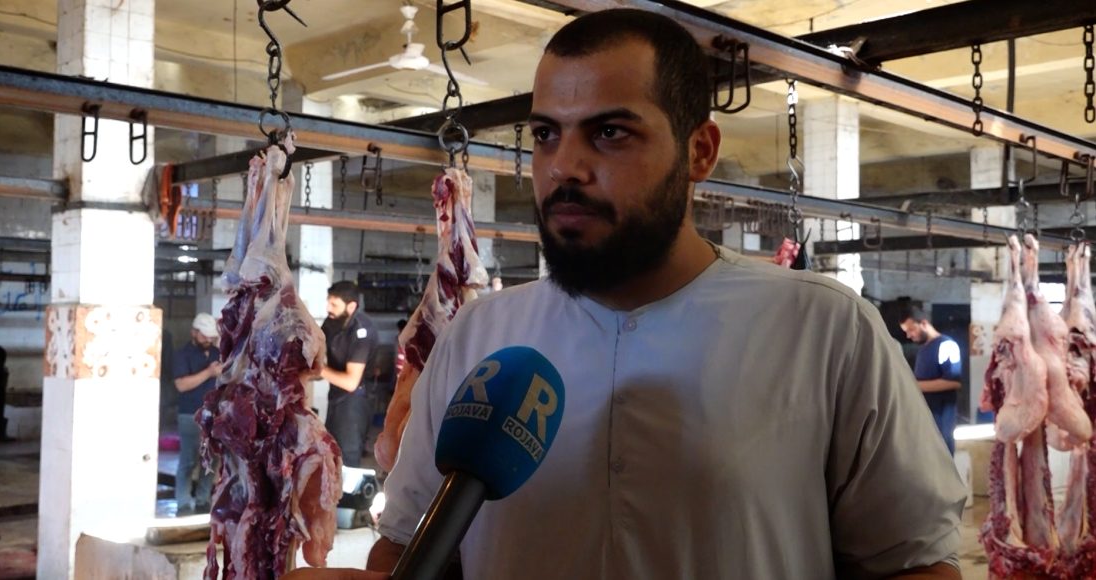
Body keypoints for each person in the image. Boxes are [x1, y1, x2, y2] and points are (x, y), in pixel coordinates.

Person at [285, 9, 965, 580]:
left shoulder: (825, 330)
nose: (565, 167)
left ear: (699, 152)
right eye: (546, 134)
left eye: (610, 133)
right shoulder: (479, 336)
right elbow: (406, 546)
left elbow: (916, 564)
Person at [321, 281, 379, 468]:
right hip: (336, 396)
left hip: (355, 401)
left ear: (351, 306)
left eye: (334, 304)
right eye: (328, 302)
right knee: (330, 452)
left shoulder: (362, 331)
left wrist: (318, 369)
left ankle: (349, 488)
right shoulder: (331, 323)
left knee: (346, 458)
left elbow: (351, 382)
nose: (328, 308)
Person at [173, 312, 221, 515]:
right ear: (194, 332)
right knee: (188, 461)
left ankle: (203, 500)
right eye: (204, 336)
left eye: (211, 336)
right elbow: (182, 385)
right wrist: (209, 373)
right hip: (190, 415)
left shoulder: (218, 354)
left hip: (214, 415)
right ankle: (183, 503)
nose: (208, 340)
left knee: (211, 460)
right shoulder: (182, 355)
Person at [900, 307, 963, 455]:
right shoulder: (923, 349)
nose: (909, 335)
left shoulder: (947, 345)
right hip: (926, 417)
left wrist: (913, 386)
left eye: (911, 329)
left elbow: (954, 382)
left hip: (941, 419)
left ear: (923, 323)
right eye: (906, 332)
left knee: (942, 457)